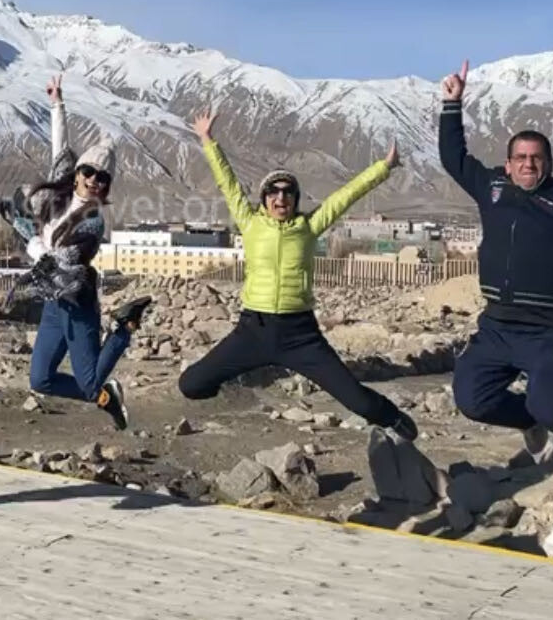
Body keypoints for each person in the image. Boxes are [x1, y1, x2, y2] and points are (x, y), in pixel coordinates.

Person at [179, 110, 419, 442]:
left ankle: (393, 417)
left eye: (288, 192)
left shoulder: (308, 227)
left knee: (357, 398)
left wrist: (384, 167)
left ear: (295, 198)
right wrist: (207, 140)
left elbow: (345, 196)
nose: (280, 197)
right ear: (264, 199)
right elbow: (228, 183)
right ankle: (244, 377)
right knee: (191, 385)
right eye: (273, 192)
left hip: (300, 335)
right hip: (254, 330)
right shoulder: (249, 223)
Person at [438, 60, 553, 467]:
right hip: (496, 326)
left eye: (536, 158)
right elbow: (454, 158)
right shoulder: (491, 188)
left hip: (546, 329)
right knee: (472, 400)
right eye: (520, 157)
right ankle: (530, 422)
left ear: (548, 163)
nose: (528, 164)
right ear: (507, 164)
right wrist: (452, 105)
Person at [0, 75, 151, 430]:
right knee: (41, 380)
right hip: (54, 303)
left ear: (107, 185)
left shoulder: (94, 223)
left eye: (103, 177)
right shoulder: (60, 196)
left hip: (78, 302)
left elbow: (61, 260)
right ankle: (106, 397)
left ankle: (124, 326)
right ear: (79, 173)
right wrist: (57, 105)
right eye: (89, 171)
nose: (94, 179)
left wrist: (32, 243)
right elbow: (59, 149)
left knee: (89, 382)